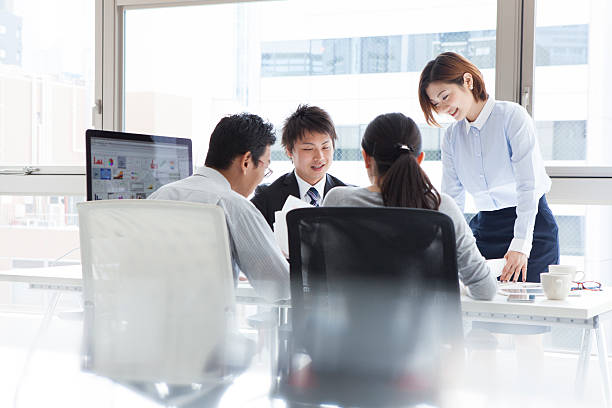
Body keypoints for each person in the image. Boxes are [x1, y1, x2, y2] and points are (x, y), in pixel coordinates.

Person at [322, 112, 497, 300]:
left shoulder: (338, 201)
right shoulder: (440, 206)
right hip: (428, 329)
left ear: (366, 158)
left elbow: (318, 279)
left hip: (349, 327)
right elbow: (485, 290)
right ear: (419, 159)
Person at [418, 52, 559, 283]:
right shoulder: (452, 136)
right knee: (482, 312)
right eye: (436, 104)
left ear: (467, 81)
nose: (443, 108)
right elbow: (452, 198)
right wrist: (444, 247)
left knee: (530, 313)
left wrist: (521, 245)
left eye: (445, 97)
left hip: (531, 227)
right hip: (485, 229)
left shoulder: (512, 117)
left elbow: (529, 186)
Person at [148, 113, 289, 302]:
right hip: (210, 329)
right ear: (246, 161)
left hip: (150, 328)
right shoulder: (234, 206)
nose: (263, 176)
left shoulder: (159, 196)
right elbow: (280, 288)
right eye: (265, 168)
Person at [251, 105, 346, 230]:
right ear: (290, 151)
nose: (319, 157)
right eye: (308, 149)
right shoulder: (266, 198)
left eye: (325, 147)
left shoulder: (348, 196)